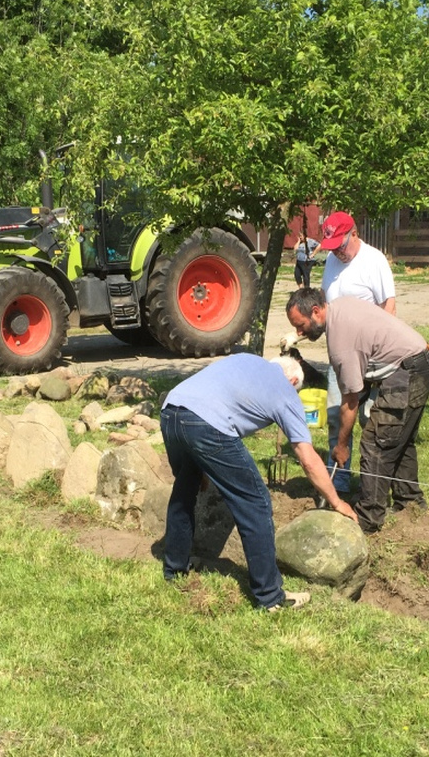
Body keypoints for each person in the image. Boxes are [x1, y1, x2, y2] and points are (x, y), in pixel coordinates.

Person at [159, 353, 355, 612]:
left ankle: (174, 569)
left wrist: (196, 470)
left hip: (171, 409)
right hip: (207, 423)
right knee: (255, 502)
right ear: (294, 379)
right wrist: (336, 501)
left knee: (184, 493)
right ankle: (270, 597)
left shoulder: (246, 360)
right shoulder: (286, 389)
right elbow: (308, 459)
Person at [286, 288, 429, 534]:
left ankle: (368, 518)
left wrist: (341, 445)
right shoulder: (340, 307)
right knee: (398, 439)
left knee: (376, 442)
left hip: (407, 370)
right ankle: (409, 501)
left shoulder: (340, 341)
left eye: (301, 325)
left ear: (316, 312)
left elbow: (350, 401)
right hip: (416, 361)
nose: (299, 333)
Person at [319, 210, 396, 496]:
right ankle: (338, 482)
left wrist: (377, 355)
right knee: (337, 417)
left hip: (370, 356)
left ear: (354, 233)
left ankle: (374, 484)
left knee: (369, 419)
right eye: (332, 247)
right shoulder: (331, 260)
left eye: (340, 244)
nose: (336, 252)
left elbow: (389, 306)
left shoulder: (373, 260)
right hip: (340, 355)